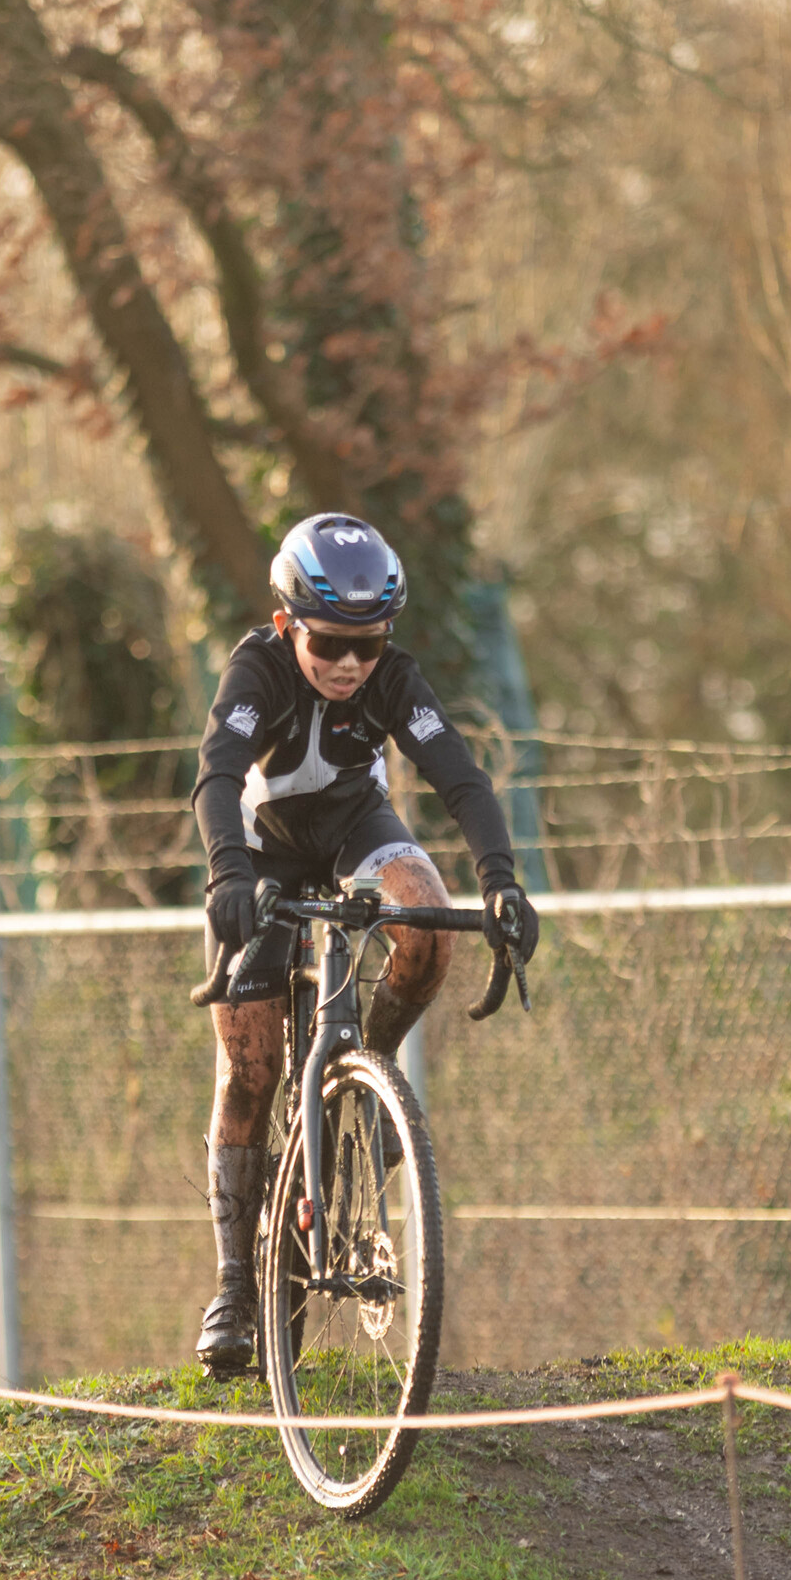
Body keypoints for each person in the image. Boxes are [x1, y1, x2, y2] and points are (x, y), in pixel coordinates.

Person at [190, 513, 539, 1374]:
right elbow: (218, 773)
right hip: (259, 846)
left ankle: (360, 1081)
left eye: (369, 647)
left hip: (352, 822)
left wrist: (501, 880)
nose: (349, 665)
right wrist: (228, 876)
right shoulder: (257, 669)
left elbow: (458, 774)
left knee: (424, 917)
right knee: (250, 1069)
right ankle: (238, 1284)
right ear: (287, 623)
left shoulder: (393, 682)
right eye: (330, 644)